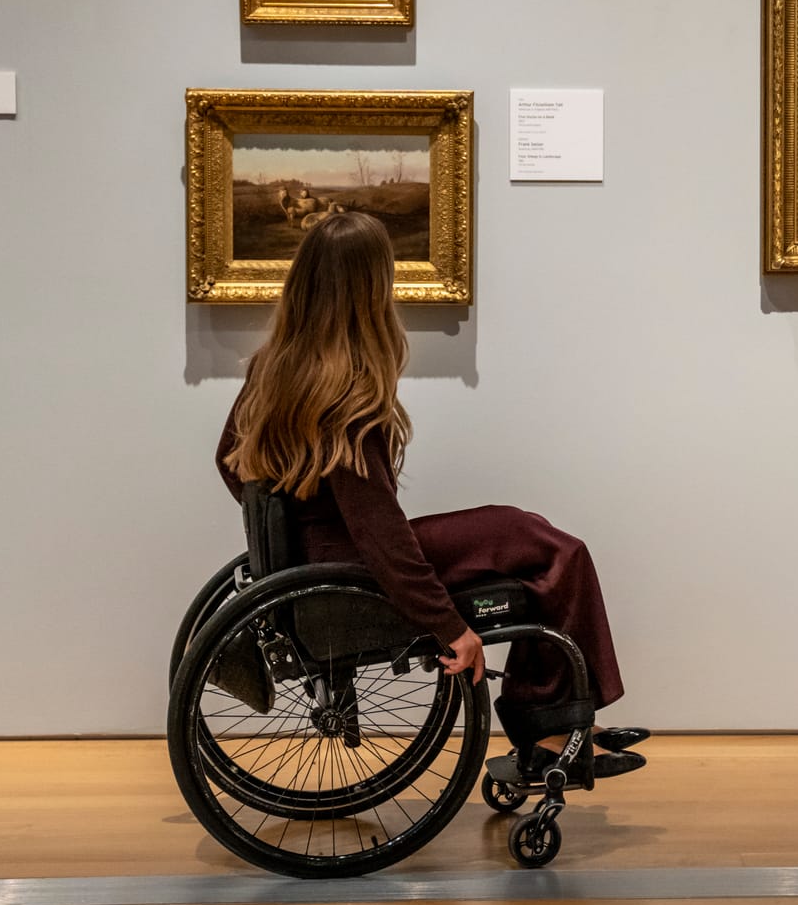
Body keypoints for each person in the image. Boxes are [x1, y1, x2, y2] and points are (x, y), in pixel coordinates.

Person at [215, 211, 648, 778]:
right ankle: (555, 727)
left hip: (321, 560)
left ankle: (557, 720)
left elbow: (231, 463)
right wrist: (452, 628)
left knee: (521, 532)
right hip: (355, 566)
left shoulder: (274, 368)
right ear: (370, 290)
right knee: (551, 549)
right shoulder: (345, 390)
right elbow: (379, 534)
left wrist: (292, 524)